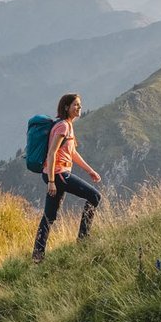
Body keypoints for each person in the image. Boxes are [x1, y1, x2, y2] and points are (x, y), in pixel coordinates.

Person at [33, 92, 102, 263]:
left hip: (56, 174)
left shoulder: (67, 125)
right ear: (66, 107)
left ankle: (37, 255)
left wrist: (90, 171)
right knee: (94, 196)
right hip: (57, 175)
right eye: (76, 105)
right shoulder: (63, 126)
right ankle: (83, 239)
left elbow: (72, 153)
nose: (79, 107)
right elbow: (52, 153)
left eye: (80, 104)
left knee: (49, 216)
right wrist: (51, 182)